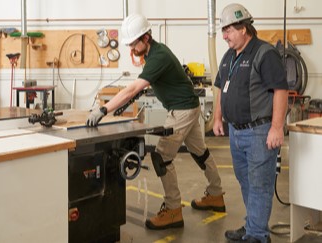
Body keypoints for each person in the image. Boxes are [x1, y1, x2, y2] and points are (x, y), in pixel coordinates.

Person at [86, 13, 225, 230]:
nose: (131, 49)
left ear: (146, 38)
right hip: (187, 107)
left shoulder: (158, 56)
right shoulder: (153, 54)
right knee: (201, 152)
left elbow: (133, 87)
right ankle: (216, 194)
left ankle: (172, 210)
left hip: (182, 111)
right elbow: (146, 85)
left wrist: (103, 109)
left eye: (133, 44)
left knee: (161, 156)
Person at [213, 3, 289, 243]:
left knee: (260, 184)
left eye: (228, 30)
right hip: (236, 131)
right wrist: (217, 117)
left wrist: (277, 127)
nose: (224, 36)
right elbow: (219, 87)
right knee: (246, 181)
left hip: (259, 131)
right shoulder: (229, 55)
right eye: (223, 31)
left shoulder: (264, 53)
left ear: (244, 28)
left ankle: (257, 235)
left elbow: (281, 90)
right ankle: (253, 226)